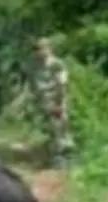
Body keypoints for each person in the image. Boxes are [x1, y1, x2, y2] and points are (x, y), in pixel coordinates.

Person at [25, 36, 75, 167]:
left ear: (49, 49)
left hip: (56, 99)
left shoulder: (56, 64)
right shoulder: (34, 65)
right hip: (43, 101)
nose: (39, 52)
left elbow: (61, 84)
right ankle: (54, 156)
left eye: (42, 48)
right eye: (37, 49)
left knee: (60, 128)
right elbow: (32, 84)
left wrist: (59, 103)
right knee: (51, 130)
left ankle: (64, 157)